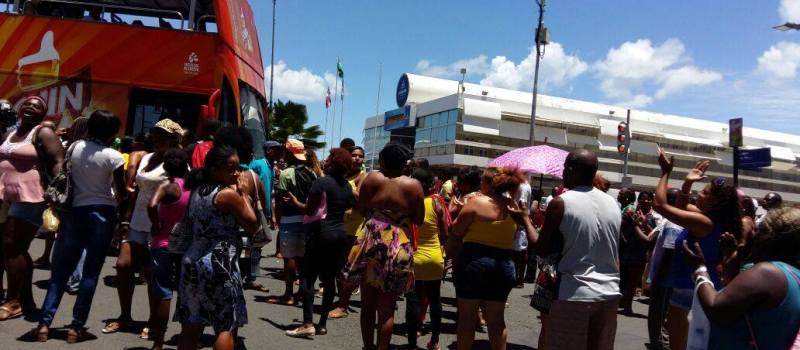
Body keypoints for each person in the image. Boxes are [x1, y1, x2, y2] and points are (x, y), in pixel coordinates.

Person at [27, 110, 125, 342]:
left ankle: (43, 325)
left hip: (75, 212)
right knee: (90, 272)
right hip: (103, 213)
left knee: (60, 271)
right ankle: (76, 328)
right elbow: (121, 193)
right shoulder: (114, 157)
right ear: (112, 133)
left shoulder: (75, 147)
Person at [529, 149, 621, 350]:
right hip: (610, 294)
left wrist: (525, 220)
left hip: (574, 292)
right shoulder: (613, 203)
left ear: (571, 170)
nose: (562, 173)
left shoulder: (561, 202)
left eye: (565, 168)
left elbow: (541, 249)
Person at [653, 152, 741, 350]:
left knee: (680, 346)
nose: (699, 194)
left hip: (688, 292)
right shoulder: (708, 220)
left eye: (705, 193)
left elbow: (660, 205)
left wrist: (665, 173)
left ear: (715, 202)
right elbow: (682, 206)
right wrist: (687, 184)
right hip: (698, 289)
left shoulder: (703, 222)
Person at [104, 119, 183, 335]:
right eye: (156, 134)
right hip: (137, 219)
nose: (157, 139)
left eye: (164, 136)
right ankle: (124, 316)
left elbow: (180, 194)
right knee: (123, 265)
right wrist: (126, 219)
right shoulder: (146, 157)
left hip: (159, 224)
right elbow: (137, 190)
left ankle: (153, 321)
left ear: (174, 140)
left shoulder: (178, 163)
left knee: (151, 274)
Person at [174, 145, 257, 350]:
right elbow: (252, 224)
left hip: (192, 258)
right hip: (220, 261)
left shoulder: (197, 191)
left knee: (192, 323)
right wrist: (245, 195)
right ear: (214, 169)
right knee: (225, 324)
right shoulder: (227, 195)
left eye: (238, 167)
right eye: (231, 168)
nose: (237, 173)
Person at [683, 206, 800, 350]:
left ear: (769, 236)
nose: (753, 236)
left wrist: (699, 269)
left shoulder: (768, 272)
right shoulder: (794, 276)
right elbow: (742, 305)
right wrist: (732, 265)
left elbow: (716, 308)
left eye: (757, 231)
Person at [345, 141, 424, 350]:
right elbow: (419, 219)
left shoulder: (372, 178)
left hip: (372, 239)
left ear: (383, 160)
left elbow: (362, 209)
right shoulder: (413, 185)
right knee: (387, 309)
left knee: (368, 305)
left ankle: (367, 347)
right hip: (398, 243)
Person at [0, 96, 64, 321]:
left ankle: (14, 301)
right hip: (5, 195)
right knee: (14, 248)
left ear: (42, 114)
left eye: (37, 106)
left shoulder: (43, 133)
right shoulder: (10, 133)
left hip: (31, 197)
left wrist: (58, 190)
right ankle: (26, 300)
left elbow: (58, 161)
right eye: (27, 104)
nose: (30, 107)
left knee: (11, 245)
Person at [285, 148, 356, 338]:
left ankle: (307, 322)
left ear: (333, 163)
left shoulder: (321, 182)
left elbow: (308, 210)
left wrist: (293, 201)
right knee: (329, 279)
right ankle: (322, 323)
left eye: (329, 158)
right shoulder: (347, 186)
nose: (325, 160)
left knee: (308, 278)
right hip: (340, 235)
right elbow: (349, 205)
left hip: (320, 234)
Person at [144, 148, 189, 350]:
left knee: (163, 293)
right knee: (185, 293)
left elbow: (151, 205)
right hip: (186, 246)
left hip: (163, 243)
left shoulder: (167, 186)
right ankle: (185, 336)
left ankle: (158, 341)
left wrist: (155, 225)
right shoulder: (192, 188)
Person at [405, 168, 449, 350]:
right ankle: (435, 341)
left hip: (414, 257)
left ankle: (412, 344)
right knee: (434, 299)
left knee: (413, 300)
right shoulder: (437, 204)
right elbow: (445, 235)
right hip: (434, 257)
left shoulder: (409, 204)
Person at [269, 139, 317, 305]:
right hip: (308, 218)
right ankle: (301, 293)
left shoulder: (286, 173)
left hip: (290, 218)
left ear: (289, 153)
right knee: (303, 259)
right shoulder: (312, 173)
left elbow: (281, 200)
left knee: (289, 257)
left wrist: (278, 220)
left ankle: (288, 294)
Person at [329, 145, 368, 320]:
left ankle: (343, 305)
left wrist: (345, 191)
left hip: (354, 227)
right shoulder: (344, 175)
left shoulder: (364, 177)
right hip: (339, 224)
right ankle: (340, 301)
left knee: (347, 268)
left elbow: (361, 201)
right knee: (338, 266)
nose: (357, 158)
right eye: (354, 155)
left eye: (360, 156)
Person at [646, 188, 683, 350]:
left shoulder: (673, 223)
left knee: (658, 313)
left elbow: (669, 252)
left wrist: (658, 279)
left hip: (665, 279)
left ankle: (658, 343)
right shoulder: (671, 220)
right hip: (667, 277)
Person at [619, 189, 654, 314]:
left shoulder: (653, 217)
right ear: (639, 200)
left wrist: (644, 224)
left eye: (649, 198)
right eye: (643, 198)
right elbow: (621, 227)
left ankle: (627, 306)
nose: (646, 200)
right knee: (624, 279)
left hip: (640, 252)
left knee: (633, 281)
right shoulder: (631, 212)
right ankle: (623, 303)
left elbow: (653, 235)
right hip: (628, 249)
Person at [512, 177, 533, 288]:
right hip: (520, 220)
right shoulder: (525, 185)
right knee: (520, 251)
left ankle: (518, 278)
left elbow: (522, 203)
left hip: (518, 220)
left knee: (519, 251)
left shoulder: (523, 186)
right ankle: (517, 278)